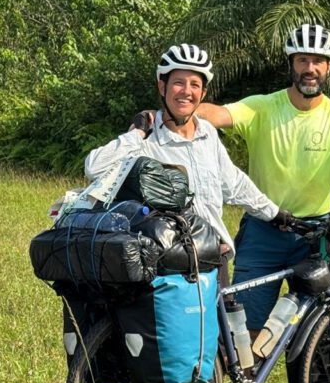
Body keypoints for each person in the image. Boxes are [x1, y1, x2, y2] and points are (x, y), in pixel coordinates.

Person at [194, 23, 330, 331]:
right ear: (291, 64)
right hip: (263, 230)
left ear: (329, 67)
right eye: (302, 60)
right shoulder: (262, 107)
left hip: (315, 235)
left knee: (313, 331)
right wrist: (177, 110)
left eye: (317, 61)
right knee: (245, 327)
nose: (310, 68)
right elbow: (217, 114)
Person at [85, 43, 288, 277]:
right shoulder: (147, 138)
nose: (186, 91)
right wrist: (137, 132)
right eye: (179, 83)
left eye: (194, 85)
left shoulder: (207, 134)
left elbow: (234, 184)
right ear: (162, 87)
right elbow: (94, 167)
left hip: (214, 256)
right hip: (169, 265)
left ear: (203, 94)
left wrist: (275, 214)